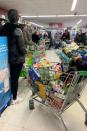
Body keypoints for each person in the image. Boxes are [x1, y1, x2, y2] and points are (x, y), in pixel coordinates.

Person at [0, 9, 26, 104]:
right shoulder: (17, 29)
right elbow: (22, 47)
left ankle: (7, 96)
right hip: (16, 59)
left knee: (7, 77)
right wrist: (25, 53)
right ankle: (14, 99)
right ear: (17, 17)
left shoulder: (3, 28)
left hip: (4, 58)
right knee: (15, 79)